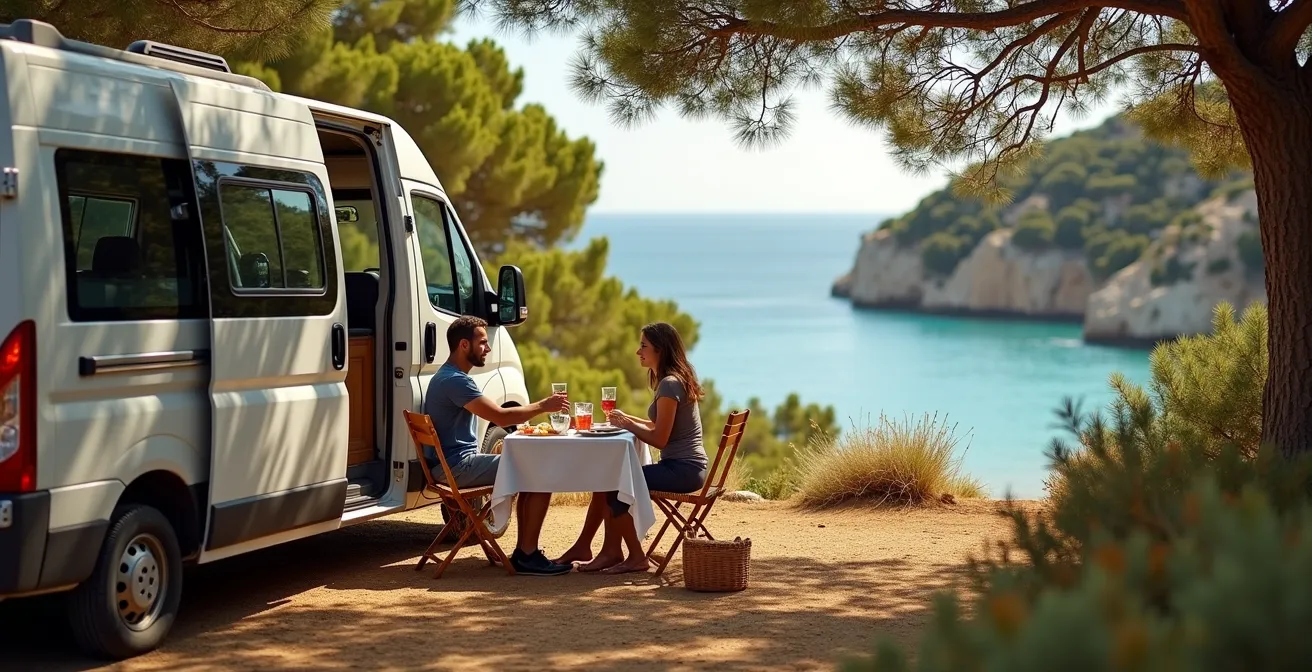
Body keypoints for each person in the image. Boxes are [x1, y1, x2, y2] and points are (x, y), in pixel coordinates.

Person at [554, 322, 708, 574]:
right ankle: (601, 550)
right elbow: (659, 425)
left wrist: (627, 423)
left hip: (683, 470)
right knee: (609, 481)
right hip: (685, 467)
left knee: (614, 484)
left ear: (659, 349)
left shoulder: (670, 384)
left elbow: (659, 438)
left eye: (643, 346)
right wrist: (629, 419)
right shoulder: (672, 381)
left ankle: (634, 556)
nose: (638, 351)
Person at [424, 316, 572, 576]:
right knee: (541, 471)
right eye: (482, 342)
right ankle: (527, 554)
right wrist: (544, 406)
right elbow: (501, 417)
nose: (488, 348)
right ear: (463, 345)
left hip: (447, 465)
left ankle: (526, 553)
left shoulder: (446, 376)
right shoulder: (455, 381)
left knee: (532, 468)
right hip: (457, 467)